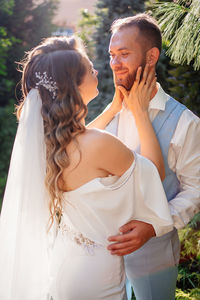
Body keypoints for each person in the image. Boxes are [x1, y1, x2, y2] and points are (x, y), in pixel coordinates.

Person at [0, 36, 174, 300]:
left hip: (66, 261)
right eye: (88, 68)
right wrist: (139, 112)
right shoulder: (99, 145)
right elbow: (153, 172)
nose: (97, 70)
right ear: (73, 85)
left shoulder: (51, 144)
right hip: (96, 276)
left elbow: (85, 139)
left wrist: (113, 108)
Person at [89, 13, 200, 300]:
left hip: (156, 252)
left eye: (124, 54)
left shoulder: (185, 122)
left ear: (151, 57)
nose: (115, 64)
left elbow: (196, 189)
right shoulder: (109, 113)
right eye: (112, 55)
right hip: (100, 250)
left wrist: (153, 227)